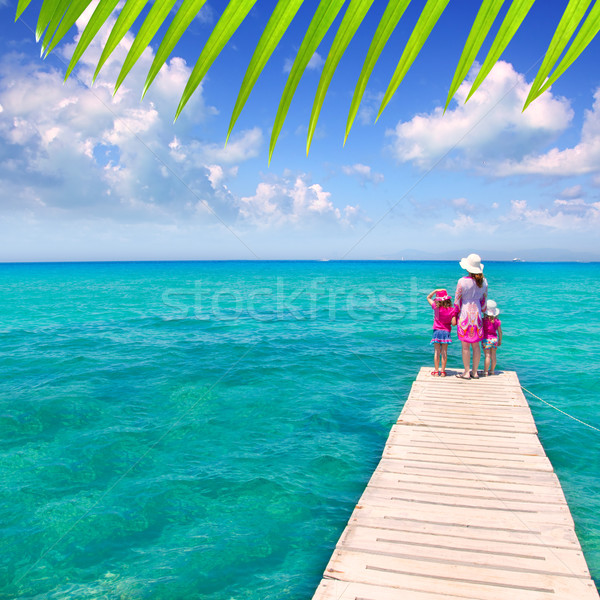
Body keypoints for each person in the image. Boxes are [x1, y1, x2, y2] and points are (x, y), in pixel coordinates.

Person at [454, 253, 487, 379]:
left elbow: (457, 301)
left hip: (465, 315)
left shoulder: (462, 281)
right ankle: (475, 371)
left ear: (468, 268)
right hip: (477, 315)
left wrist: (454, 315)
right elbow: (484, 303)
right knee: (476, 345)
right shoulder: (484, 282)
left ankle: (466, 372)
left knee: (465, 346)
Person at [426, 289, 457, 377]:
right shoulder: (452, 310)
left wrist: (435, 291)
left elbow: (428, 297)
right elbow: (454, 323)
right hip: (446, 332)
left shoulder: (435, 307)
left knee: (436, 351)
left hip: (437, 331)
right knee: (444, 352)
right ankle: (443, 371)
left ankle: (436, 371)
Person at [482, 300, 502, 376]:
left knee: (487, 356)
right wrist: (500, 340)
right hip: (494, 339)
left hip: (486, 339)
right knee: (493, 356)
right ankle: (492, 371)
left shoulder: (484, 321)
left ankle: (485, 371)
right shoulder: (497, 321)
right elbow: (500, 332)